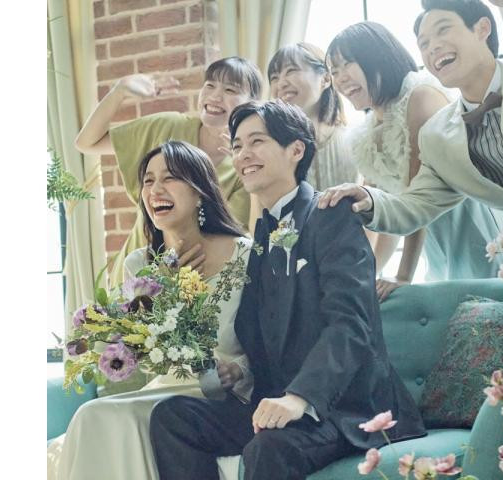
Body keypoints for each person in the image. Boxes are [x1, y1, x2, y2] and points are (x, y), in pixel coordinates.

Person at [149, 101, 426, 480]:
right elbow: (258, 329)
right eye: (237, 146)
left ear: (296, 150)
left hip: (345, 410)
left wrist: (300, 397)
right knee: (173, 416)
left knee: (269, 447)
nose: (243, 154)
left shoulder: (331, 215)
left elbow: (351, 325)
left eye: (256, 142)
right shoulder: (262, 234)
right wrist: (236, 371)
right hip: (278, 403)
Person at [48, 141, 254, 480]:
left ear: (199, 192)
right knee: (91, 414)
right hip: (168, 387)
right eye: (148, 180)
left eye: (169, 178)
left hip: (227, 399)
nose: (155, 189)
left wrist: (238, 371)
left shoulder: (244, 254)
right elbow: (144, 356)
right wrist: (164, 289)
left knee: (101, 417)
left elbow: (270, 341)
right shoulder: (139, 264)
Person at [326, 21, 503, 301]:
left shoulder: (420, 97)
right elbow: (388, 217)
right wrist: (366, 276)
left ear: (376, 56)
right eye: (334, 71)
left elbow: (416, 200)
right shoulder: (366, 134)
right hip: (430, 240)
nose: (340, 79)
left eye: (347, 64)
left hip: (468, 224)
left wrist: (403, 275)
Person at [318, 0, 503, 240]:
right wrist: (370, 200)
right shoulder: (437, 136)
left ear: (482, 29)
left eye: (443, 29)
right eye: (424, 44)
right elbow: (415, 204)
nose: (433, 47)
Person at [75, 56, 263, 287]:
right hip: (135, 276)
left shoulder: (244, 167)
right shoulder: (167, 127)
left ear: (252, 103)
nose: (215, 96)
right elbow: (86, 142)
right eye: (210, 85)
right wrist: (120, 91)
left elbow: (238, 238)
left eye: (230, 89)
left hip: (199, 286)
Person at [267, 42, 358, 190]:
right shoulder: (271, 145)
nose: (281, 84)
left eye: (291, 71)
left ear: (326, 79)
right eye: (274, 77)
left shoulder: (355, 140)